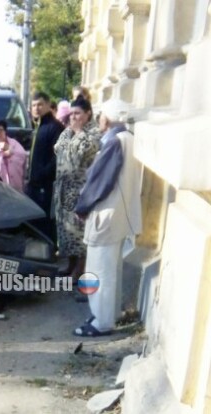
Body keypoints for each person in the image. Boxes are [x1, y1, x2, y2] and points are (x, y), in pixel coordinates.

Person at [72, 98, 142, 337]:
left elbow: (99, 182)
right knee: (111, 268)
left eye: (101, 115)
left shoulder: (114, 142)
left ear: (107, 118)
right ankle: (108, 315)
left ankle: (101, 321)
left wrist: (82, 207)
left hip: (106, 214)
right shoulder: (129, 139)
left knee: (99, 269)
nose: (99, 119)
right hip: (120, 214)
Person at [52, 96, 101, 281]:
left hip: (81, 191)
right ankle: (70, 264)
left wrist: (79, 134)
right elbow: (58, 148)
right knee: (66, 231)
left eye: (78, 114)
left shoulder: (94, 133)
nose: (73, 118)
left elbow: (79, 156)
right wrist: (72, 137)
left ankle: (79, 269)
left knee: (79, 232)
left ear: (88, 114)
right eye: (71, 114)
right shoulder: (67, 132)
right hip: (64, 189)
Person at [26, 91, 65, 242]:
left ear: (49, 105)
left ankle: (47, 254)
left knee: (45, 222)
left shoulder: (55, 127)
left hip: (46, 186)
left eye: (40, 104)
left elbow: (58, 156)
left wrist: (43, 174)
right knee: (33, 220)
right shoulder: (38, 126)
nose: (37, 108)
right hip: (33, 185)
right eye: (34, 105)